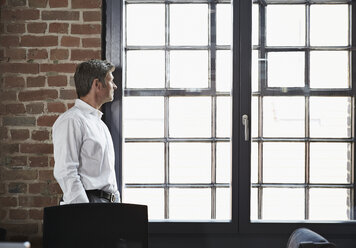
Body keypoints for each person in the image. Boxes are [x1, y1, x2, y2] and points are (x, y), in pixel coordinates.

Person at [52, 59, 120, 204]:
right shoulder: (71, 121)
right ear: (97, 84)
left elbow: (108, 177)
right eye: (111, 81)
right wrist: (84, 213)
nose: (115, 86)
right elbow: (66, 172)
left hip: (107, 206)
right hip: (88, 205)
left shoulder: (100, 125)